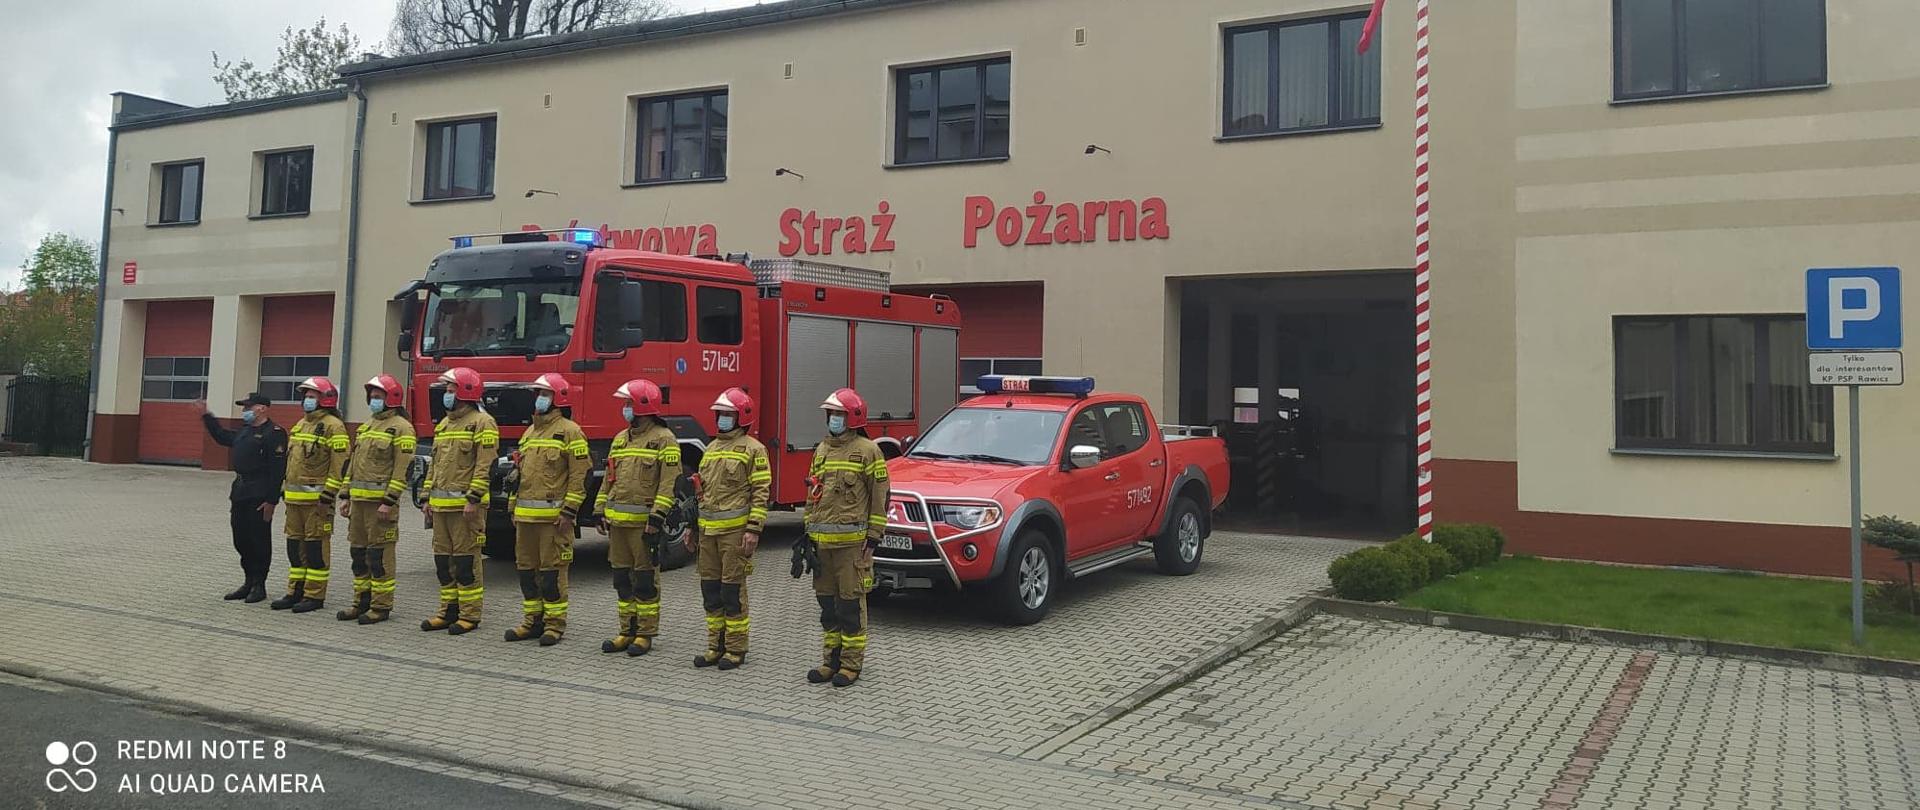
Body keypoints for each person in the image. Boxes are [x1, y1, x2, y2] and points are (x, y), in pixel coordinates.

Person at [804, 388, 889, 687]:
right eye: (831, 414)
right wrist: (806, 534)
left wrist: (874, 538)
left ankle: (852, 665)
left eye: (839, 414)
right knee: (828, 607)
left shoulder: (868, 451)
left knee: (851, 607)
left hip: (853, 548)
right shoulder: (822, 450)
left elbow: (880, 498)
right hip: (822, 546)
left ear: (852, 417)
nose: (833, 419)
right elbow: (813, 494)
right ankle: (831, 660)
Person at [593, 379, 681, 656]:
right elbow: (609, 478)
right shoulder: (621, 438)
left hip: (644, 528)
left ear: (644, 406)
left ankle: (644, 633)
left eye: (629, 403)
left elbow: (670, 482)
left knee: (644, 581)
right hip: (618, 525)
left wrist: (657, 517)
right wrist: (599, 509)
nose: (626, 408)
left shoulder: (664, 439)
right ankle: (625, 630)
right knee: (621, 578)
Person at [505, 372, 591, 647]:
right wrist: (511, 507)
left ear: (559, 398)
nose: (539, 400)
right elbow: (518, 473)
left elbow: (580, 475)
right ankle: (532, 621)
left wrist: (569, 512)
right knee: (527, 572)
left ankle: (554, 626)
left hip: (553, 521)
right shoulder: (529, 432)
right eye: (538, 394)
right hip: (525, 518)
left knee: (553, 573)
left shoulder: (570, 431)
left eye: (544, 394)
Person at [691, 387, 770, 670]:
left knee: (732, 593)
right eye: (720, 414)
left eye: (728, 414)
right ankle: (715, 646)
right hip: (707, 534)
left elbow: (761, 493)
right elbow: (703, 492)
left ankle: (735, 650)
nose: (722, 418)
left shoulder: (754, 449)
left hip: (735, 535)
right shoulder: (711, 448)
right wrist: (693, 527)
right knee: (711, 591)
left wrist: (753, 529)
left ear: (741, 417)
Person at [419, 366, 498, 634]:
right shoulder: (444, 424)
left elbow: (484, 465)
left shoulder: (482, 423)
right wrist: (426, 497)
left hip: (466, 509)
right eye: (447, 390)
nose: (447, 394)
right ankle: (447, 611)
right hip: (441, 507)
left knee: (466, 563)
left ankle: (470, 615)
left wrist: (474, 499)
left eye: (451, 390)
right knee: (444, 562)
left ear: (465, 391)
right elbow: (435, 465)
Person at [335, 374, 417, 624]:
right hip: (358, 504)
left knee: (379, 557)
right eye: (372, 396)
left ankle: (381, 606)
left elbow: (403, 469)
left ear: (391, 398)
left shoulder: (402, 428)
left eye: (378, 397)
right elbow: (353, 465)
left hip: (380, 507)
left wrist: (389, 501)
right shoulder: (367, 426)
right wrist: (346, 495)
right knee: (358, 555)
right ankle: (360, 602)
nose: (373, 400)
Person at [198, 393, 288, 603]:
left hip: (259, 493)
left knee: (259, 540)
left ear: (262, 409)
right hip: (240, 492)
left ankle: (259, 585)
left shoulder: (274, 433)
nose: (244, 411)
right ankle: (248, 581)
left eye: (249, 407)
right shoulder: (245, 431)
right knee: (241, 538)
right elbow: (222, 437)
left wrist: (272, 500)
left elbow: (278, 470)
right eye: (244, 407)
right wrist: (206, 416)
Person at [272, 377, 350, 613]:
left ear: (325, 399)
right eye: (305, 396)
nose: (307, 400)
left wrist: (328, 496)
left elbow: (340, 466)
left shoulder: (333, 426)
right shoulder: (300, 425)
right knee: (295, 549)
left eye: (312, 396)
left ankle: (315, 595)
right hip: (294, 502)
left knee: (315, 550)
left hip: (318, 503)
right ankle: (295, 591)